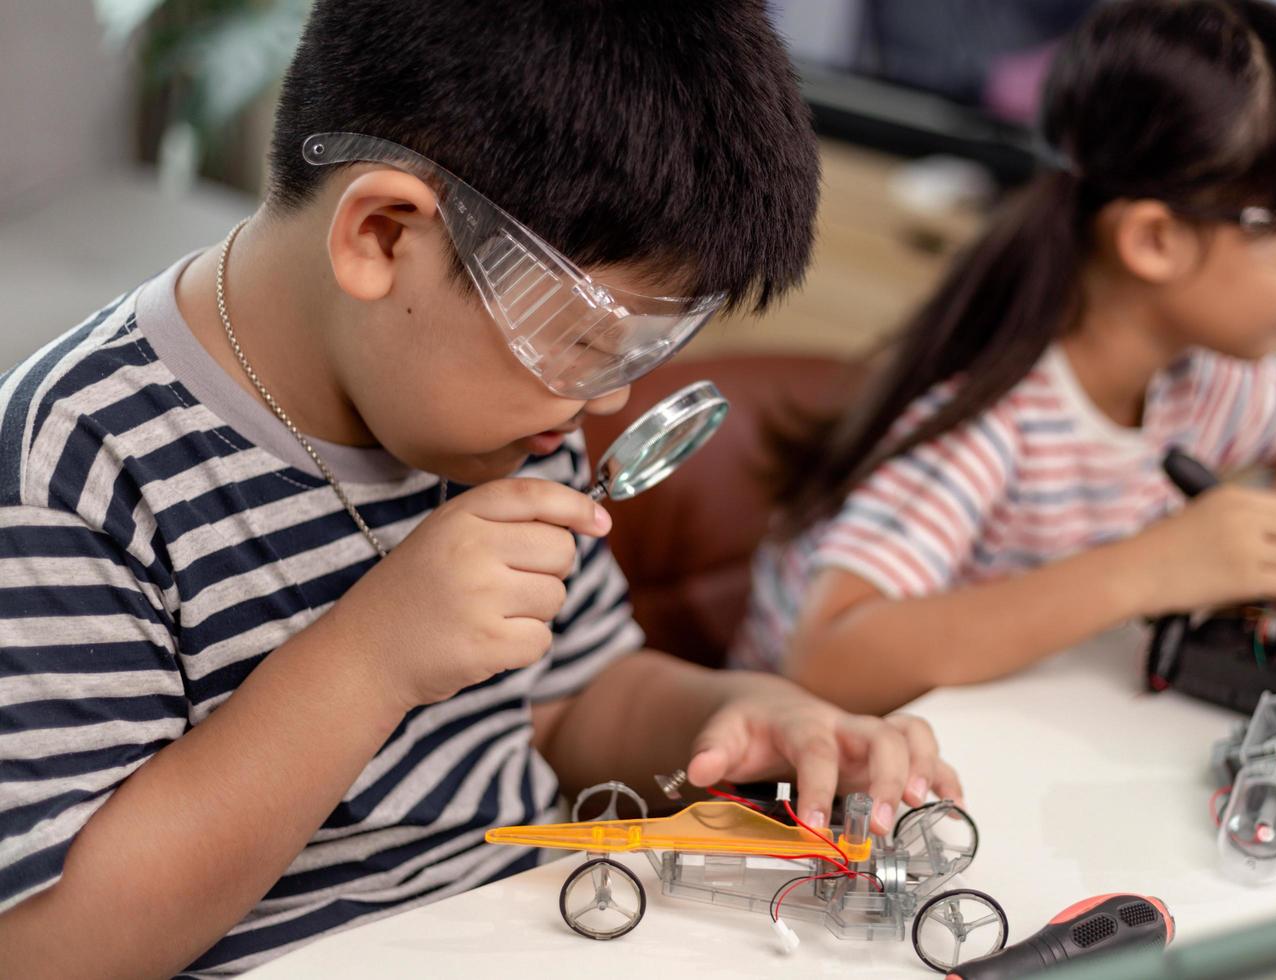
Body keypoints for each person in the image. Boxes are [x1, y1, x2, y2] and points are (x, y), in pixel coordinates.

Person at [0, 2, 960, 975]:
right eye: (583, 342)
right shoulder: (72, 467)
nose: (604, 399)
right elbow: (52, 946)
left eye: (638, 355)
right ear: (380, 234)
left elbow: (572, 699)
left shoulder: (506, 417)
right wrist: (373, 657)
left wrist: (746, 713)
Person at [734, 0, 1276, 714]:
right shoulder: (991, 422)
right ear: (1155, 241)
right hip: (780, 778)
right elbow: (826, 659)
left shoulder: (1204, 380)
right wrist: (1150, 570)